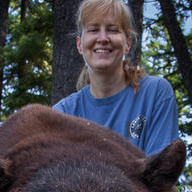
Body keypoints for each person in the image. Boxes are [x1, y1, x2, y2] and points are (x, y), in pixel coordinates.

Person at [52, 0, 179, 156]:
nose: (103, 38)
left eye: (112, 30)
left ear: (128, 43)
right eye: (93, 30)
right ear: (79, 44)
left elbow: (160, 173)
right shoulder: (63, 114)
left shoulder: (155, 94)